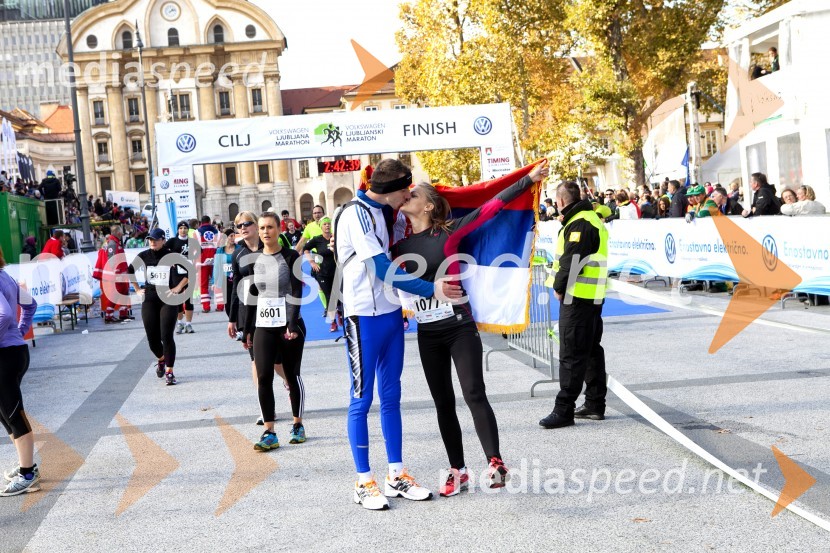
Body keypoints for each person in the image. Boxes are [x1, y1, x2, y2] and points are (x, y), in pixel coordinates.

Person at [393, 159, 550, 497]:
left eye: (414, 193)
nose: (407, 196)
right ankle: (457, 470)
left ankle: (495, 462)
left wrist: (528, 180)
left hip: (458, 326)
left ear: (429, 205)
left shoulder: (449, 232)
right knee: (443, 403)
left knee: (474, 393)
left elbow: (491, 206)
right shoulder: (399, 247)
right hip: (427, 333)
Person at [336, 158, 463, 510]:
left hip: (390, 313)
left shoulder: (387, 212)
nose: (409, 194)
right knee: (362, 399)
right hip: (363, 317)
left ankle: (396, 474)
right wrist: (432, 289)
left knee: (391, 396)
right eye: (406, 189)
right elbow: (381, 267)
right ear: (392, 190)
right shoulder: (355, 213)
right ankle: (363, 481)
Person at [540, 181, 608, 429]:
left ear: (559, 201)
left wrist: (559, 286)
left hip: (577, 297)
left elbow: (572, 260)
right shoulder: (586, 218)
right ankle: (594, 404)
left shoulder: (580, 223)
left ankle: (564, 410)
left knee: (571, 354)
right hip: (588, 296)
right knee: (590, 351)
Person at [241, 212, 307, 451]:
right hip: (264, 325)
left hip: (289, 325)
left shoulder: (290, 256)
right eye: (262, 228)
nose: (265, 232)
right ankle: (269, 431)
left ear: (279, 229)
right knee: (263, 376)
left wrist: (292, 322)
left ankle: (297, 424)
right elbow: (253, 295)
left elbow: (297, 291)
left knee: (291, 374)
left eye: (270, 227)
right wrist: (247, 329)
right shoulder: (255, 259)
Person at [227, 211, 287, 426]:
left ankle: (289, 382)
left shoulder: (270, 245)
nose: (242, 228)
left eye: (247, 224)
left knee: (277, 361)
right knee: (256, 361)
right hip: (249, 311)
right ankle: (266, 409)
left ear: (256, 225)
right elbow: (235, 285)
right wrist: (232, 318)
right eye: (238, 225)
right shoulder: (238, 253)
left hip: (273, 307)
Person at [0, 246, 39, 496]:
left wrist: (16, 332)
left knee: (13, 414)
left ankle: (28, 474)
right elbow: (31, 305)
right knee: (6, 414)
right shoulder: (5, 275)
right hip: (14, 352)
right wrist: (21, 331)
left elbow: (4, 315)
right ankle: (26, 466)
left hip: (5, 356)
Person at [129, 228, 188, 386]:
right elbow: (129, 270)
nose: (152, 242)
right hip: (150, 297)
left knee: (166, 336)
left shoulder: (171, 255)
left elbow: (189, 272)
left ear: (163, 240)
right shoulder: (144, 255)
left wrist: (177, 288)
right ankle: (162, 359)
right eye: (150, 239)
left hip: (168, 298)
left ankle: (169, 371)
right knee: (152, 339)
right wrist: (137, 289)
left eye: (156, 239)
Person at [302, 217, 338, 332]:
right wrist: (312, 262)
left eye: (328, 224)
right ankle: (333, 322)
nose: (327, 226)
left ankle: (340, 314)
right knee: (329, 297)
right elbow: (305, 249)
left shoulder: (335, 238)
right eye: (325, 224)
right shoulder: (317, 239)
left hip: (336, 272)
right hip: (322, 273)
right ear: (321, 227)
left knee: (338, 297)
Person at [93, 224, 131, 323]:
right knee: (117, 293)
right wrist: (116, 271)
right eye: (121, 232)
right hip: (118, 273)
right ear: (118, 232)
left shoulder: (115, 242)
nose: (122, 234)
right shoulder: (113, 243)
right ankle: (109, 316)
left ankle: (123, 313)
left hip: (121, 272)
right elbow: (112, 258)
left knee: (124, 292)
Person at [167, 222, 196, 334]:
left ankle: (188, 324)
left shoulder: (192, 241)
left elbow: (199, 252)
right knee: (177, 298)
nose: (183, 230)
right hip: (176, 273)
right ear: (178, 230)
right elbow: (163, 251)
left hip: (189, 271)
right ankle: (180, 323)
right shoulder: (173, 241)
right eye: (180, 228)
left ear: (188, 230)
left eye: (185, 228)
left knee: (189, 298)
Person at [197, 215, 220, 312]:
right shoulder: (217, 232)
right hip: (215, 260)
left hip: (203, 262)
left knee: (203, 285)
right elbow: (220, 246)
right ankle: (220, 306)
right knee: (217, 283)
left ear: (201, 222)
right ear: (210, 222)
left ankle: (206, 307)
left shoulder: (197, 232)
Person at [213, 229, 236, 317]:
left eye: (234, 236)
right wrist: (214, 282)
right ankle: (232, 319)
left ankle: (237, 322)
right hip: (225, 280)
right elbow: (216, 267)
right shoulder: (220, 250)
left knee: (236, 301)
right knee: (228, 304)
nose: (233, 238)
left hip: (237, 278)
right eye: (231, 236)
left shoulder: (239, 248)